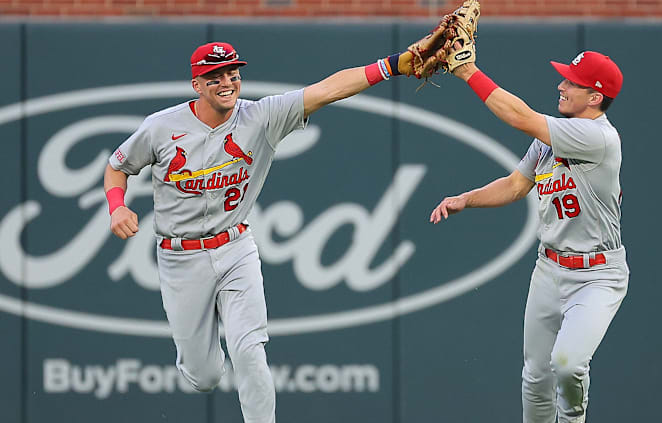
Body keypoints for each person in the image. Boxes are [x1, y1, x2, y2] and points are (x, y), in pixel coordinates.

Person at [103, 38, 447, 423]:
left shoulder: (261, 116)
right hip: (180, 257)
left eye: (232, 74)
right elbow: (118, 166)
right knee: (204, 377)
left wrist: (395, 64)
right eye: (214, 77)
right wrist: (117, 207)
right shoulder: (161, 127)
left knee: (249, 350)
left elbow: (328, 89)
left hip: (235, 247)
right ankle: (201, 363)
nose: (227, 82)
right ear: (196, 85)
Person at [429, 51, 628, 423]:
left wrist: (469, 71)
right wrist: (465, 200)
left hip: (597, 276)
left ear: (595, 97)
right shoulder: (553, 138)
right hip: (550, 269)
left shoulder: (596, 137)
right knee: (536, 377)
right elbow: (516, 185)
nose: (561, 85)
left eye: (572, 82)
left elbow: (518, 116)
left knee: (566, 364)